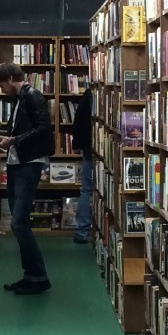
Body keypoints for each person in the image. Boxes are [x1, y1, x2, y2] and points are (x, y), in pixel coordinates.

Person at [0, 62, 54, 294]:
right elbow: (20, 130)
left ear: (10, 79)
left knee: (19, 222)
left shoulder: (33, 96)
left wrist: (15, 141)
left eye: (1, 85)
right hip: (17, 163)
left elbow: (43, 128)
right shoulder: (19, 100)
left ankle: (39, 276)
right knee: (18, 223)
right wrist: (0, 140)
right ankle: (30, 275)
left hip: (29, 164)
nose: (1, 90)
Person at [69, 81, 93, 244]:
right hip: (95, 147)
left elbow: (78, 120)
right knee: (89, 189)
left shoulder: (89, 95)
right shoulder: (93, 95)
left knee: (86, 189)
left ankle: (82, 231)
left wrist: (77, 144)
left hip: (89, 147)